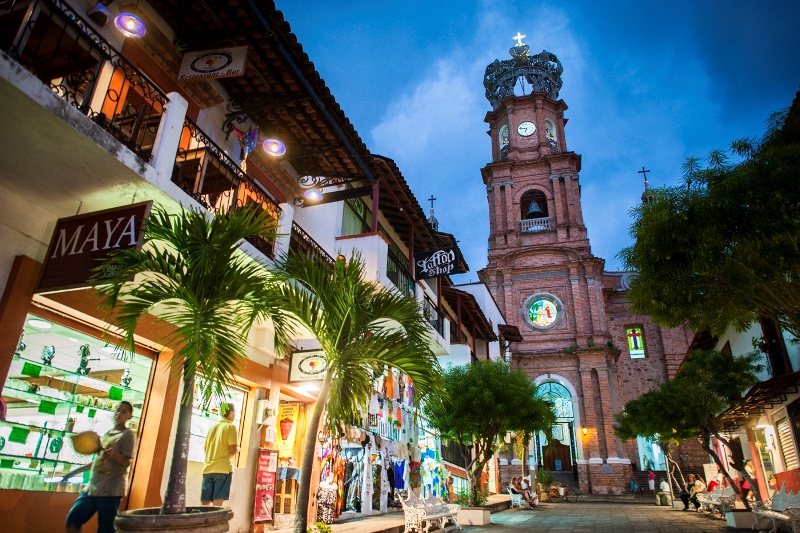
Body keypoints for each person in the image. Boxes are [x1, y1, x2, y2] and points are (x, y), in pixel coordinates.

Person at [64, 401, 136, 533]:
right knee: (72, 520)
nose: (119, 413)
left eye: (124, 412)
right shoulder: (108, 434)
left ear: (130, 416)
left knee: (105, 529)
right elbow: (98, 460)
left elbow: (127, 461)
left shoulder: (128, 434)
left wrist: (114, 455)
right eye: (118, 410)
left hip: (111, 489)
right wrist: (72, 473)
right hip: (92, 486)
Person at [202, 402, 239, 506]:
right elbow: (232, 450)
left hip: (208, 468)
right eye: (234, 413)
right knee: (217, 502)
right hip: (223, 469)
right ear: (231, 413)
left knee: (205, 502)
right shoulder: (231, 427)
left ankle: (204, 517)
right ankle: (216, 517)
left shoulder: (212, 428)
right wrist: (238, 449)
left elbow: (205, 449)